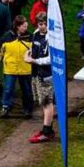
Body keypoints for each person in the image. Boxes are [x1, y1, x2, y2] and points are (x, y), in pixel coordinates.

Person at [25, 12, 54, 143]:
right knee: (42, 102)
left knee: (47, 102)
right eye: (39, 24)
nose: (42, 27)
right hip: (36, 73)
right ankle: (48, 128)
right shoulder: (36, 33)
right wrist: (28, 54)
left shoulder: (51, 38)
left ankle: (47, 132)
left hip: (46, 75)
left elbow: (51, 59)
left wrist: (34, 61)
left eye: (44, 24)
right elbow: (33, 48)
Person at [0, 15, 33, 119]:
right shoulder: (6, 37)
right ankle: (5, 107)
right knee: (8, 88)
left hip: (25, 68)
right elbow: (0, 50)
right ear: (18, 26)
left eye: (26, 26)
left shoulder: (30, 37)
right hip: (10, 68)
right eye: (23, 26)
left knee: (26, 89)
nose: (25, 28)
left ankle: (27, 109)